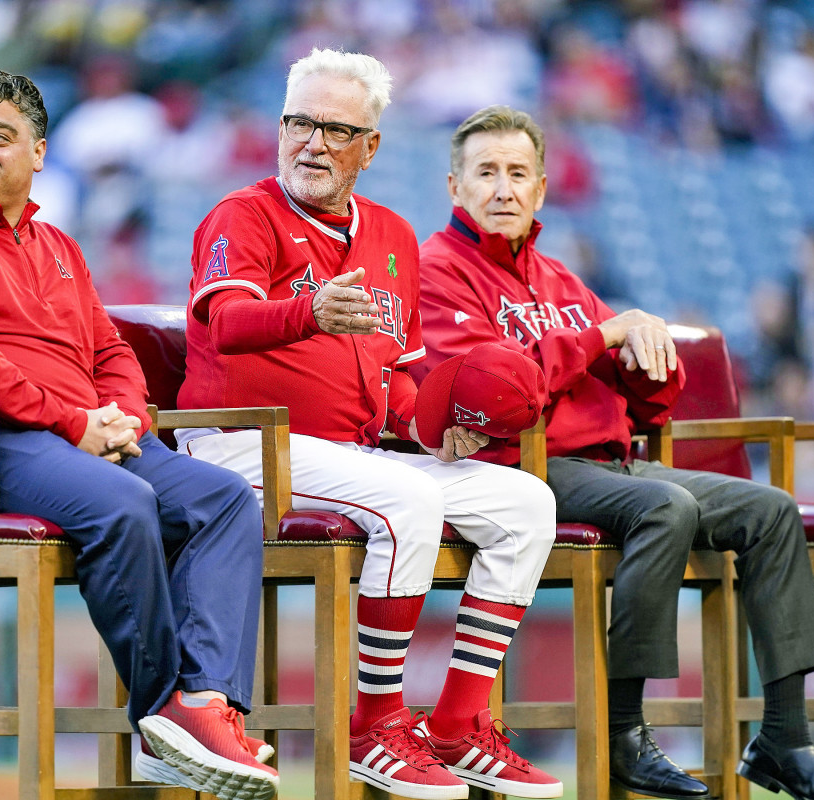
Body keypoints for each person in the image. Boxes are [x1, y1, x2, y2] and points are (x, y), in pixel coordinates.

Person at [0, 69, 278, 800]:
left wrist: (122, 420)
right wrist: (75, 421)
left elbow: (111, 352)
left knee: (227, 498)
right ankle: (164, 715)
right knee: (120, 501)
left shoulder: (57, 247)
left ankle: (204, 705)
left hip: (68, 444)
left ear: (39, 153)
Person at [414, 104, 814, 800]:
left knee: (771, 510)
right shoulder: (436, 271)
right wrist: (600, 336)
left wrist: (651, 352)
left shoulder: (558, 279)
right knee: (666, 507)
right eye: (486, 172)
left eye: (518, 173)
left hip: (612, 462)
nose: (503, 189)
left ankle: (786, 738)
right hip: (523, 470)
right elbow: (488, 393)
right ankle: (623, 733)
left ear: (542, 189)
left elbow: (649, 402)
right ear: (454, 186)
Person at [175, 48, 562, 800]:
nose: (312, 142)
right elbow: (224, 324)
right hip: (243, 446)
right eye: (298, 122)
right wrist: (306, 310)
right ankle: (377, 724)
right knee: (405, 499)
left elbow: (405, 382)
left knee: (525, 504)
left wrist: (434, 430)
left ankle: (456, 722)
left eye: (335, 129)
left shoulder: (391, 235)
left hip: (350, 450)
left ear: (372, 146)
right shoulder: (242, 214)